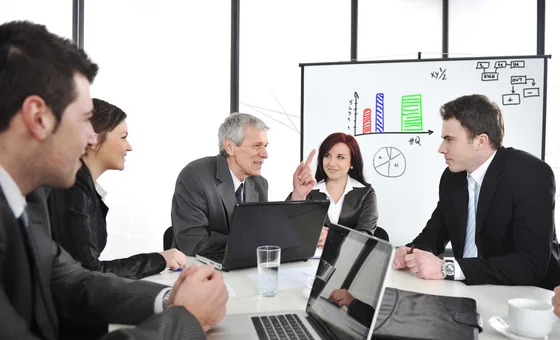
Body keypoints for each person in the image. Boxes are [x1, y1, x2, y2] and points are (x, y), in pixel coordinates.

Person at [0, 20, 228, 340]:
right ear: (38, 118)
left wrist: (169, 300)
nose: (92, 138)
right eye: (86, 119)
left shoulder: (28, 199)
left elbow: (71, 279)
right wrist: (186, 321)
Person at [392, 94, 560, 288]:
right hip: (466, 292)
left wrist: (447, 268)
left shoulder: (531, 175)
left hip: (526, 298)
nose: (441, 148)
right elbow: (435, 234)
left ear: (481, 141)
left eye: (450, 140)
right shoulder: (452, 177)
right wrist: (410, 252)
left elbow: (530, 265)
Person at [47, 98, 186, 279]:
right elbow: (89, 272)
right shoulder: (72, 189)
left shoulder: (83, 186)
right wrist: (159, 259)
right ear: (93, 139)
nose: (129, 147)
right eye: (123, 137)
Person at [171, 112, 315, 256]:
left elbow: (268, 232)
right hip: (198, 271)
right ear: (230, 147)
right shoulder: (195, 177)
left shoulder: (259, 184)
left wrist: (298, 195)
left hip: (239, 269)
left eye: (265, 146)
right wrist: (253, 242)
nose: (265, 154)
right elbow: (194, 243)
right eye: (257, 146)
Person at [290, 132, 377, 248]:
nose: (331, 163)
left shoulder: (366, 193)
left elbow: (366, 235)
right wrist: (297, 195)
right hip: (309, 261)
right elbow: (288, 228)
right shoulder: (308, 190)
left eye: (340, 157)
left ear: (352, 162)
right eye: (327, 156)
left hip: (347, 260)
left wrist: (334, 239)